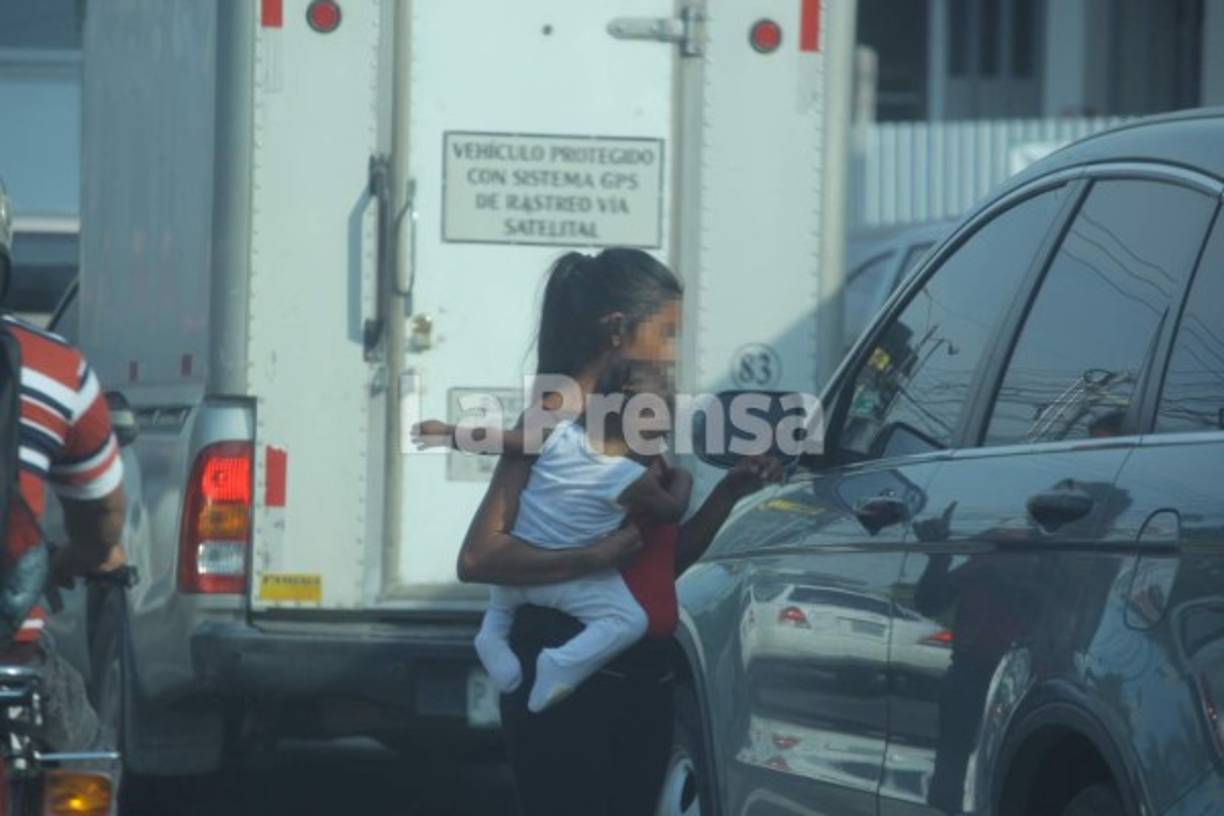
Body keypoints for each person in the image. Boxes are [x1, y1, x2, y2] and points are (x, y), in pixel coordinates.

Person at [454, 248, 784, 815]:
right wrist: (596, 554)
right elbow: (479, 557)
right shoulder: (550, 423)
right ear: (617, 331)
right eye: (667, 333)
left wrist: (730, 491)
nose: (676, 351)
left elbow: (659, 564)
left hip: (642, 679)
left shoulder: (641, 415)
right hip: (564, 673)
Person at [416, 362, 693, 712]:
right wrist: (684, 479)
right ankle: (562, 663)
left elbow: (501, 441)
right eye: (658, 433)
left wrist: (447, 432)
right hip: (566, 579)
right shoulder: (629, 477)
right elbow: (671, 511)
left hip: (515, 574)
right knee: (628, 620)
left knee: (500, 610)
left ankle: (492, 641)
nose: (659, 447)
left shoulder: (556, 435)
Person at [0, 182, 127, 755]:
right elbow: (102, 519)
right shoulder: (55, 367)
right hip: (10, 657)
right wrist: (87, 556)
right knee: (84, 765)